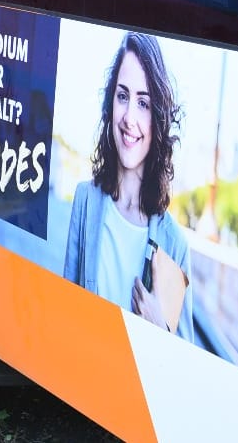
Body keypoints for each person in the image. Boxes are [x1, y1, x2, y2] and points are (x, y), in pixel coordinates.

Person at [62, 32, 192, 339]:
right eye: (123, 97)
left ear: (158, 118)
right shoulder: (85, 201)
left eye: (144, 103)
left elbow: (185, 366)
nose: (129, 118)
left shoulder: (175, 244)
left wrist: (159, 326)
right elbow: (65, 310)